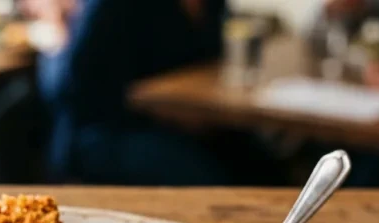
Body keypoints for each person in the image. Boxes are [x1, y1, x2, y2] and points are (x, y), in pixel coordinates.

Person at [30, 0, 231, 185]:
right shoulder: (110, 6)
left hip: (187, 126)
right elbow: (68, 86)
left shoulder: (212, 5)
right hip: (107, 131)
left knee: (256, 167)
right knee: (212, 180)